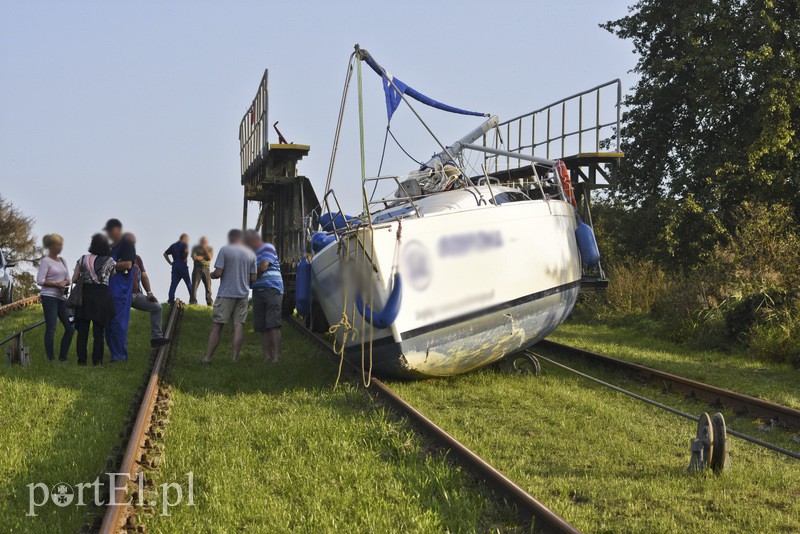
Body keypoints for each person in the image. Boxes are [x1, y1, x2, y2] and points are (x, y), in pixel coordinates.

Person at [201, 229, 256, 364]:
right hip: (243, 295)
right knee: (238, 326)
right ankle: (234, 359)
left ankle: (207, 358)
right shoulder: (251, 254)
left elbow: (218, 273)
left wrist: (211, 275)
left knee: (217, 326)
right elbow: (253, 278)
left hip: (226, 293)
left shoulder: (225, 250)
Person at [72, 234, 117, 366]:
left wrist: (83, 275)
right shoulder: (110, 261)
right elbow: (112, 274)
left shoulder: (83, 259)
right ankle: (97, 361)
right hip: (101, 296)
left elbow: (74, 279)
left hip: (85, 295)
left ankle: (81, 361)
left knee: (83, 330)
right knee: (98, 331)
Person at [124, 232, 171, 348]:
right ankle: (120, 346)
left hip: (136, 295)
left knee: (157, 307)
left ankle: (156, 338)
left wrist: (149, 292)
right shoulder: (116, 256)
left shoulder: (137, 258)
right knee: (121, 321)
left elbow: (144, 276)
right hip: (122, 295)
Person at [245, 230, 284, 363]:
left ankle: (277, 356)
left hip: (272, 289)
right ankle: (267, 356)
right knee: (262, 326)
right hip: (257, 291)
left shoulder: (267, 247)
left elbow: (263, 267)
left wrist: (250, 278)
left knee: (273, 324)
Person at [36, 234, 74, 362]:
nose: (60, 247)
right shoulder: (46, 261)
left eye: (61, 244)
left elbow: (68, 279)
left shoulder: (62, 261)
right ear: (51, 246)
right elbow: (40, 280)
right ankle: (50, 359)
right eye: (58, 244)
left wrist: (64, 283)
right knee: (51, 328)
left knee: (70, 328)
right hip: (49, 297)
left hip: (62, 298)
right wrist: (55, 284)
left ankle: (62, 358)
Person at [104, 219, 136, 363]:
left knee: (118, 323)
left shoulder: (127, 244)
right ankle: (113, 355)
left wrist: (112, 265)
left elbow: (128, 264)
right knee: (108, 325)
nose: (109, 234)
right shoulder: (110, 247)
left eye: (110, 231)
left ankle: (120, 357)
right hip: (108, 290)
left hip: (120, 291)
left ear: (117, 229)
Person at [164, 234, 191, 305]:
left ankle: (170, 300)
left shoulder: (173, 245)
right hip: (182, 265)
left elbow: (165, 254)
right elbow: (186, 251)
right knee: (188, 283)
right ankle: (192, 300)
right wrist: (185, 258)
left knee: (173, 284)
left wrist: (170, 262)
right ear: (184, 238)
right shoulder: (184, 244)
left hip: (175, 265)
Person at [190, 236, 214, 305]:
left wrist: (205, 250)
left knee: (208, 287)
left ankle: (209, 303)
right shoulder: (195, 248)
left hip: (206, 268)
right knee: (194, 286)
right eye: (202, 242)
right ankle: (193, 302)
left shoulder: (210, 248)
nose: (203, 243)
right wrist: (204, 257)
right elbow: (194, 258)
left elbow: (209, 257)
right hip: (197, 268)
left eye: (205, 242)